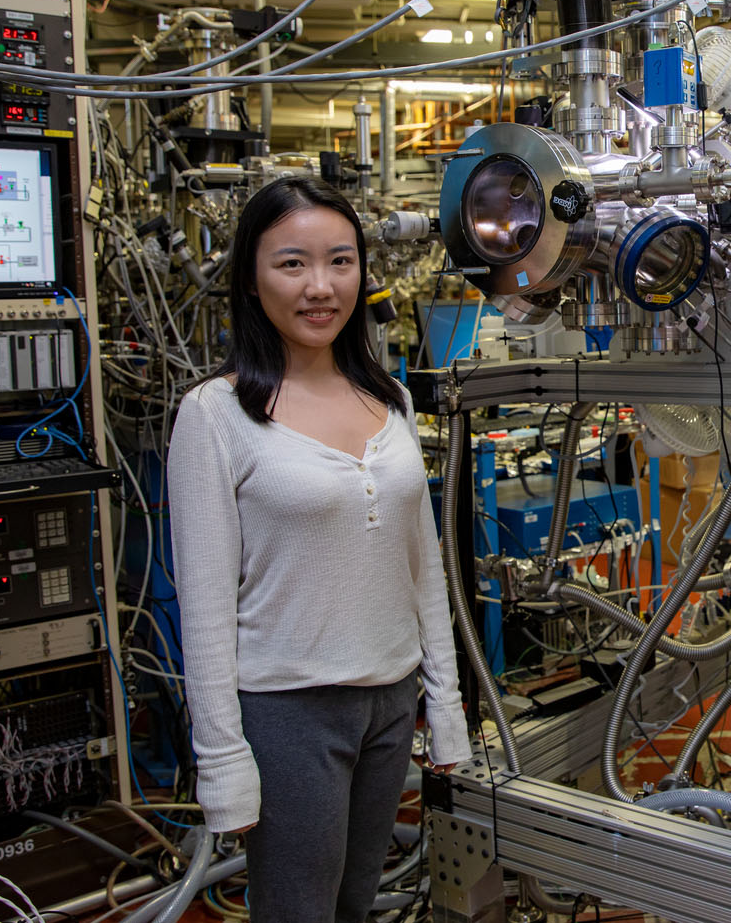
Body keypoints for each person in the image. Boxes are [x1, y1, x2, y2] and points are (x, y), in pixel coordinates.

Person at [167, 177, 471, 923]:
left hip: (391, 702)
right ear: (249, 277)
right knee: (299, 910)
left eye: (340, 261)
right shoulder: (214, 416)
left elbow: (422, 566)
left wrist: (446, 702)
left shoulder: (390, 401)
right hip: (289, 710)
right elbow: (203, 610)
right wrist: (224, 762)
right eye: (292, 264)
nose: (320, 287)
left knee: (354, 905)